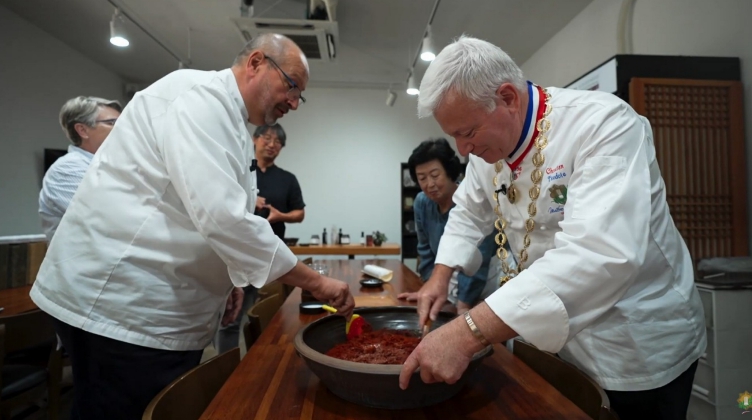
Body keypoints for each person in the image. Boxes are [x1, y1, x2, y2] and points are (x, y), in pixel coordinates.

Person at [30, 33, 354, 420]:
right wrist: (317, 282)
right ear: (256, 63)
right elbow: (224, 218)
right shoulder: (198, 98)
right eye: (292, 86)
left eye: (301, 95)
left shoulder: (233, 123)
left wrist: (228, 280)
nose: (295, 102)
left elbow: (209, 212)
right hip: (121, 304)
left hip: (156, 307)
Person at [398, 36, 705, 420]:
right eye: (455, 135)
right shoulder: (487, 151)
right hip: (557, 339)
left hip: (634, 339)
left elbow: (597, 255)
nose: (462, 149)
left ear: (507, 98)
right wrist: (439, 277)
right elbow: (467, 212)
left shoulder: (603, 124)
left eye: (468, 132)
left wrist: (468, 331)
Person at [215, 122, 306, 354]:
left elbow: (299, 213)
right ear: (254, 139)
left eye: (278, 142)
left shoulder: (287, 179)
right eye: (267, 138)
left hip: (273, 257)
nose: (272, 144)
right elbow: (220, 202)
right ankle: (229, 366)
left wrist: (280, 216)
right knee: (232, 318)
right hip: (239, 255)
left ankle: (268, 359)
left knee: (274, 316)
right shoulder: (241, 173)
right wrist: (248, 197)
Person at [397, 138, 505, 313]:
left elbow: (479, 259)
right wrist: (430, 288)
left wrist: (464, 303)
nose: (429, 184)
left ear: (449, 171)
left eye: (435, 175)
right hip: (446, 280)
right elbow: (425, 252)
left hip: (484, 280)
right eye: (422, 178)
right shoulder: (422, 203)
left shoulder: (474, 201)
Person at [39, 96, 122, 242]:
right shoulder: (67, 169)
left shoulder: (116, 165)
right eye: (112, 122)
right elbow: (112, 220)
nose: (123, 128)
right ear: (83, 130)